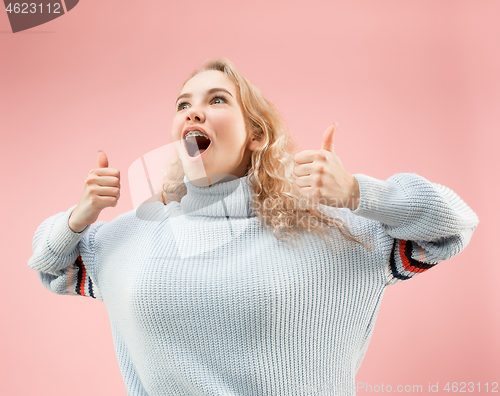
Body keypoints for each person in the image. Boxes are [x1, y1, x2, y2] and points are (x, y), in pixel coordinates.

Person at [28, 58, 479, 396]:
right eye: (183, 104)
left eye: (217, 100)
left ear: (257, 135)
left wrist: (360, 195)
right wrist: (78, 218)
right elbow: (50, 267)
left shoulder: (330, 230)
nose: (193, 112)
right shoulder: (132, 236)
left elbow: (454, 225)